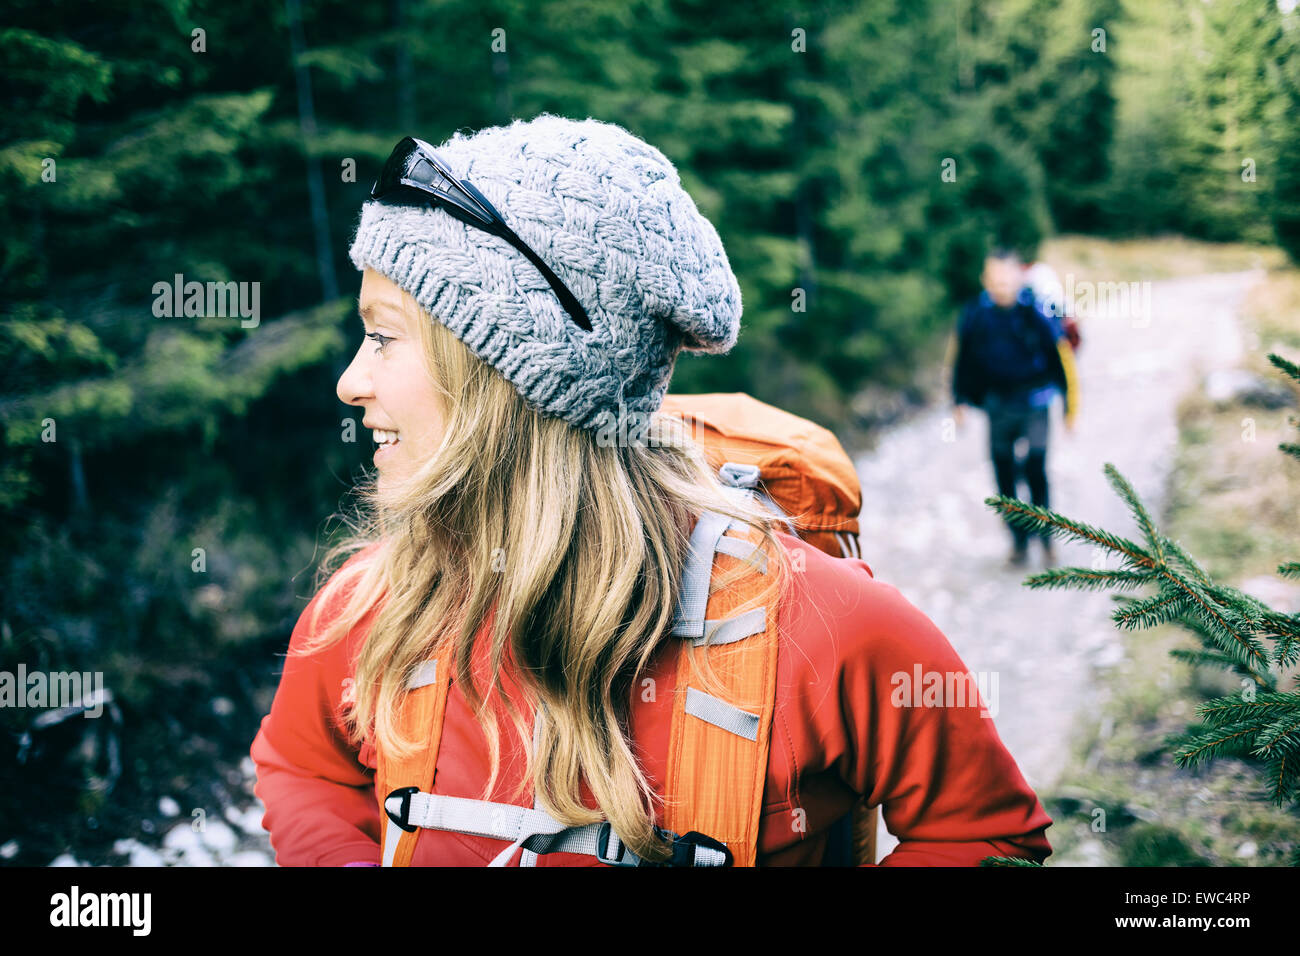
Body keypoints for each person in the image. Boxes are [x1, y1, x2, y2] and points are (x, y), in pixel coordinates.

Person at [249, 115, 1052, 866]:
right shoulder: (369, 609)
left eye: (385, 336)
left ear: (511, 377)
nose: (351, 382)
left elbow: (988, 832)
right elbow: (301, 768)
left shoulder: (822, 625)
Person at [952, 249, 1078, 569]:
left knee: (1036, 467)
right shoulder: (976, 314)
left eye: (1006, 278)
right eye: (994, 279)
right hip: (998, 405)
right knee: (1003, 473)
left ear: (1019, 277)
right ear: (985, 280)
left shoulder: (1037, 311)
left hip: (1036, 401)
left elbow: (1061, 357)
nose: (1000, 285)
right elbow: (961, 358)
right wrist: (958, 400)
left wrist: (1070, 408)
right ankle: (1018, 541)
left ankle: (1046, 537)